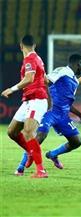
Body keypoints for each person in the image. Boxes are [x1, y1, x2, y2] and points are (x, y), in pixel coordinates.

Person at [14, 54, 81, 175]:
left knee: (77, 141)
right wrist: (45, 100)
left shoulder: (75, 81)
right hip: (50, 111)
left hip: (63, 116)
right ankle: (21, 166)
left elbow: (67, 103)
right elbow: (45, 80)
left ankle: (53, 154)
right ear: (78, 64)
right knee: (40, 135)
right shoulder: (62, 71)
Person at [1, 35, 48, 178]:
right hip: (28, 100)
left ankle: (41, 170)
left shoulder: (30, 59)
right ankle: (32, 152)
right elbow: (44, 79)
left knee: (28, 132)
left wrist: (12, 89)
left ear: (21, 46)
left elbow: (29, 78)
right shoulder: (38, 58)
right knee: (12, 131)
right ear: (34, 45)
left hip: (37, 100)